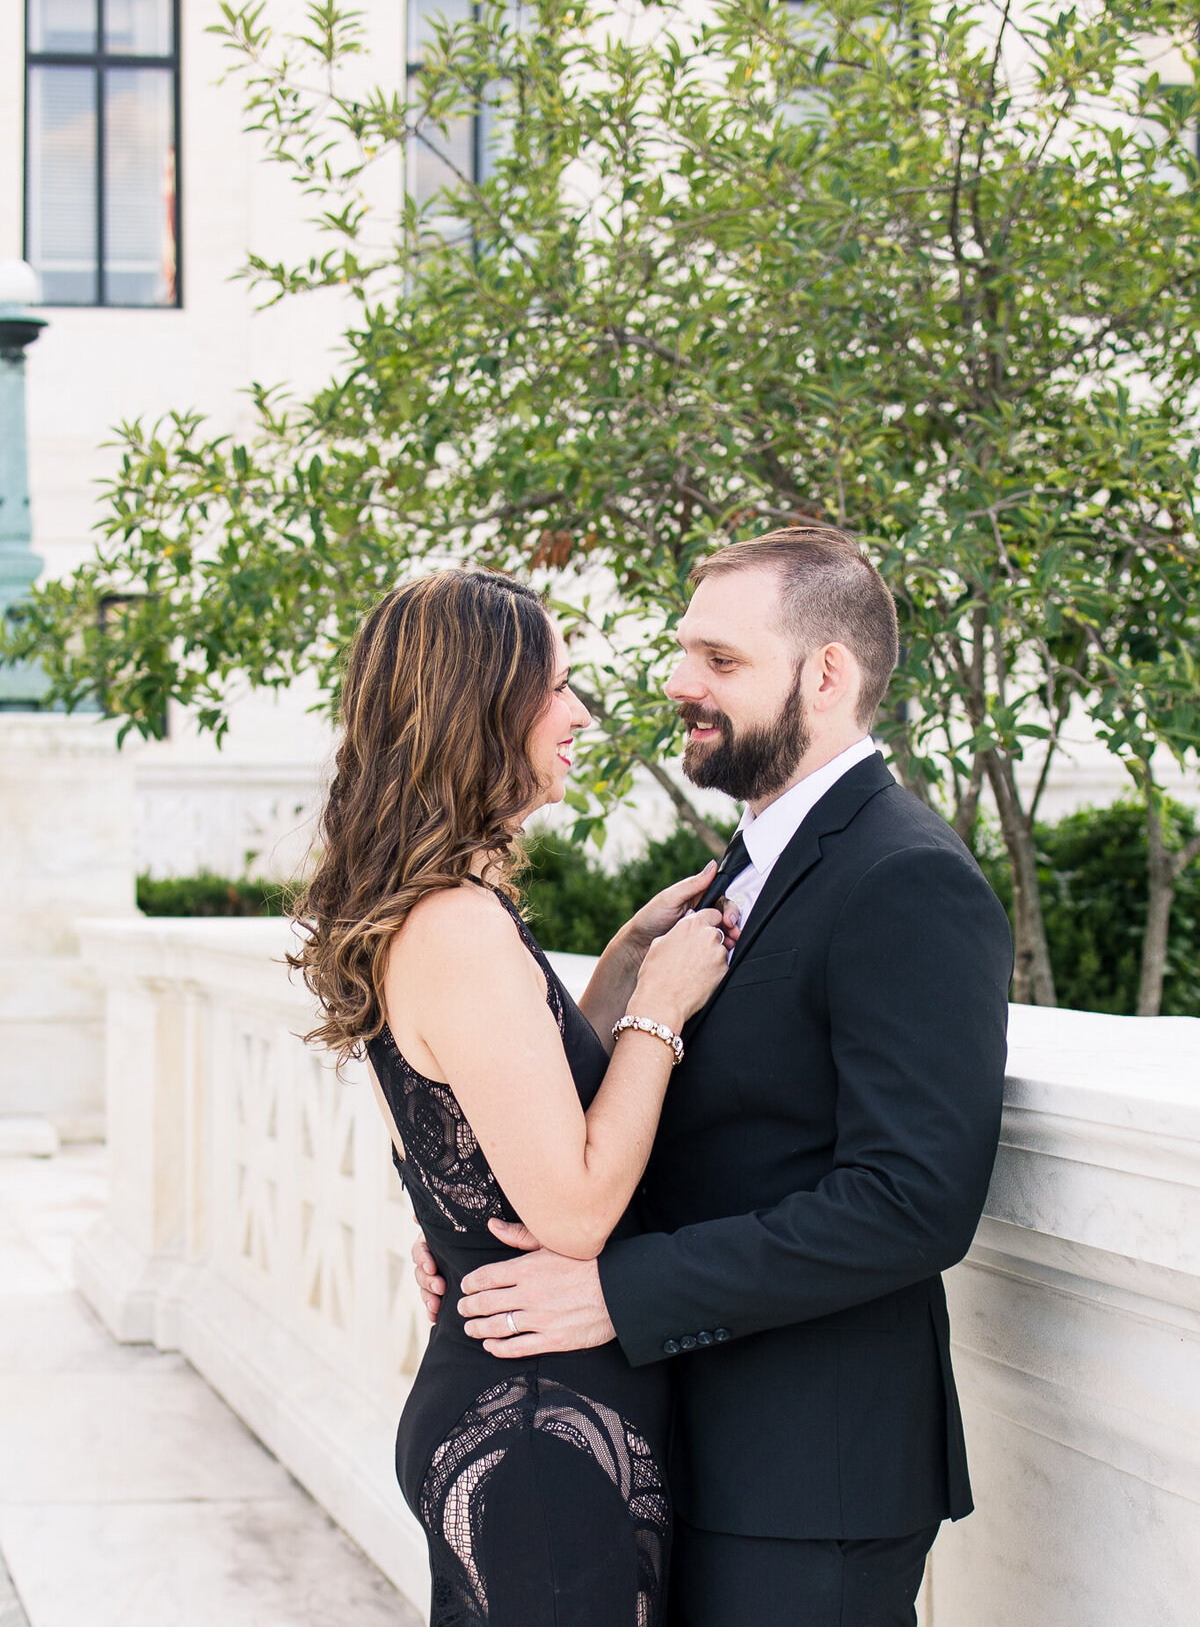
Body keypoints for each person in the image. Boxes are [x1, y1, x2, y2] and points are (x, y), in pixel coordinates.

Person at [415, 527, 1014, 1627]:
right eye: (687, 653)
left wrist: (611, 1292)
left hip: (809, 1481)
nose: (679, 685)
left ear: (826, 675)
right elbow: (698, 1126)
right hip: (680, 1439)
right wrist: (491, 1219)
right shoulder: (744, 866)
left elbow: (913, 1203)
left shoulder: (910, 881)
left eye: (721, 662)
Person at [291, 568, 731, 1627]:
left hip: (519, 1407)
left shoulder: (445, 910)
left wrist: (627, 956)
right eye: (556, 689)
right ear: (477, 707)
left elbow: (511, 1092)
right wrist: (659, 1015)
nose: (581, 714)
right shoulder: (455, 927)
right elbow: (572, 1209)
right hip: (535, 1438)